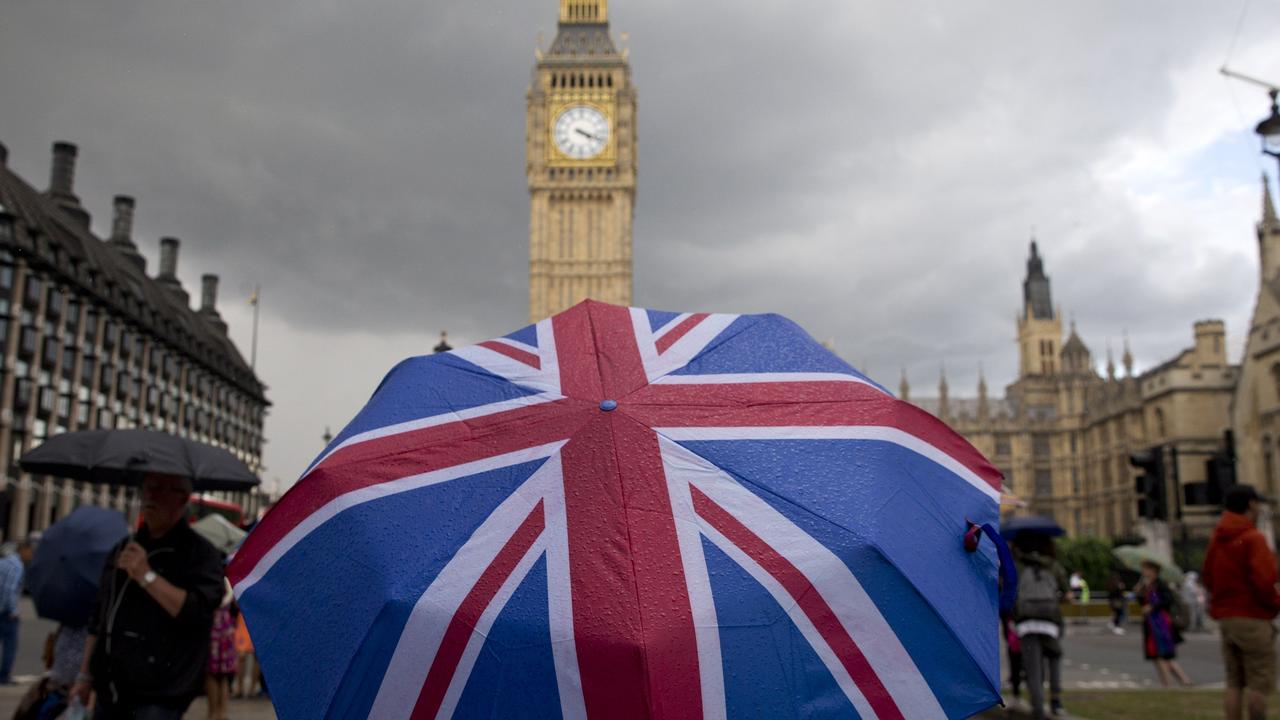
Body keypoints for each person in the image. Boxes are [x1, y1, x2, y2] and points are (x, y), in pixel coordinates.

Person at [69, 474, 225, 719]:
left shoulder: (200, 554)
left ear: (182, 498)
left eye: (163, 489)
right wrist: (84, 675)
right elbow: (100, 616)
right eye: (149, 488)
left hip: (160, 694)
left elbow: (197, 610)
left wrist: (146, 576)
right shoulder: (124, 548)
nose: (151, 495)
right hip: (110, 689)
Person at [1203, 484, 1280, 720]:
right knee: (1259, 683)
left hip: (1227, 617)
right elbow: (1265, 579)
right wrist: (1275, 604)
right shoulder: (1252, 538)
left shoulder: (1218, 538)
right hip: (1252, 615)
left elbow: (1207, 574)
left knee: (1234, 682)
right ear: (1251, 504)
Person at [1011, 532, 1068, 719]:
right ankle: (1056, 701)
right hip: (1050, 620)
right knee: (1055, 656)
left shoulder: (1018, 565)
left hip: (1026, 621)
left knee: (1033, 668)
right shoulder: (1053, 566)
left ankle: (1038, 708)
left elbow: (1009, 590)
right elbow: (1067, 593)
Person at [1135, 560, 1192, 687]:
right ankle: (1182, 681)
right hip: (1150, 624)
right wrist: (1138, 593)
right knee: (1159, 656)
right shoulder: (1145, 585)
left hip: (1161, 623)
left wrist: (1152, 607)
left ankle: (1168, 685)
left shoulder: (1160, 585)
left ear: (1153, 571)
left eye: (1146, 569)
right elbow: (1141, 603)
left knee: (1162, 655)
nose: (1143, 572)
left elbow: (1168, 600)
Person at [0, 537, 35, 684]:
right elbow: (10, 589)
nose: (32, 555)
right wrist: (14, 610)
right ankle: (4, 676)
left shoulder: (4, 562)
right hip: (6, 612)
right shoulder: (17, 565)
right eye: (31, 552)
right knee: (10, 645)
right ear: (24, 550)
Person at [204, 581, 236, 720]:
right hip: (224, 630)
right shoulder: (226, 581)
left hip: (214, 631)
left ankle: (214, 712)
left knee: (212, 674)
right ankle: (221, 712)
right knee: (223, 674)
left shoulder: (212, 577)